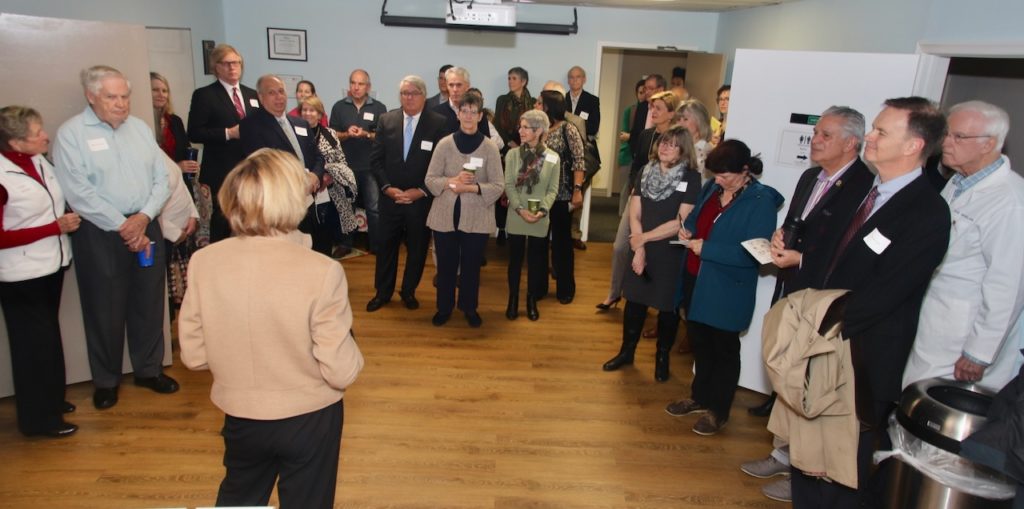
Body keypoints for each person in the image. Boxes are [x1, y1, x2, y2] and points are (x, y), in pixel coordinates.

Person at [785, 97, 950, 506]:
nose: (870, 138)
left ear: (913, 146)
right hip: (823, 338)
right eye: (873, 128)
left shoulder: (928, 211)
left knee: (845, 469)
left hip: (861, 354)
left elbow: (889, 292)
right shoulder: (862, 189)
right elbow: (827, 255)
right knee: (808, 457)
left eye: (881, 132)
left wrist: (824, 327)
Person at [178, 148, 364, 509]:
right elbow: (340, 370)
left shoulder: (204, 262)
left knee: (240, 496)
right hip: (310, 416)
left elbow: (195, 355)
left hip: (240, 412)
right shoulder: (322, 270)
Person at [743, 106, 875, 503]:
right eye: (816, 133)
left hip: (826, 299)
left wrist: (803, 259)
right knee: (788, 373)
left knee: (813, 382)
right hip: (794, 288)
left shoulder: (865, 186)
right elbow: (799, 223)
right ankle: (783, 452)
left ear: (852, 143)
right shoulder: (809, 177)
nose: (815, 140)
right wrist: (781, 239)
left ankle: (806, 470)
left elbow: (849, 250)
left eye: (826, 135)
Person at [53, 65, 176, 410]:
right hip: (101, 232)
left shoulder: (139, 129)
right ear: (91, 96)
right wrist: (124, 226)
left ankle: (149, 370)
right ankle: (106, 380)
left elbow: (161, 180)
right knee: (104, 307)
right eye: (112, 97)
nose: (121, 103)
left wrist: (143, 218)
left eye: (125, 96)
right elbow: (77, 192)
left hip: (145, 223)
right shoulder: (72, 134)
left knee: (149, 301)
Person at [665, 140, 783, 436]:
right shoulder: (712, 188)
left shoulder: (760, 202)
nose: (718, 181)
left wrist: (707, 248)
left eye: (724, 176)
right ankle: (699, 396)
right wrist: (687, 229)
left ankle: (719, 410)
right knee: (700, 342)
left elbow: (755, 253)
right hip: (696, 278)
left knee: (724, 350)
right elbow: (693, 218)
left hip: (728, 287)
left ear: (745, 171)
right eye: (715, 175)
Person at [904, 100, 1024, 391]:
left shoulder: (1010, 201)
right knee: (913, 406)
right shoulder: (957, 182)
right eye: (947, 134)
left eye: (958, 136)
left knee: (938, 418)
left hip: (962, 336)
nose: (945, 142)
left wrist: (979, 353)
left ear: (989, 144)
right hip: (935, 321)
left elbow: (1009, 285)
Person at [0, 106, 80, 438]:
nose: (45, 135)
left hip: (49, 266)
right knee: (32, 347)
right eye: (37, 133)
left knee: (47, 340)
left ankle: (51, 400)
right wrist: (54, 227)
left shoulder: (38, 161)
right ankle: (38, 421)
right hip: (19, 275)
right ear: (16, 143)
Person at [602, 126, 702, 381]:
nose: (665, 147)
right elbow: (635, 212)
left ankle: (662, 358)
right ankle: (626, 352)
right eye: (663, 142)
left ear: (684, 150)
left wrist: (643, 240)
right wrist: (639, 247)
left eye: (673, 144)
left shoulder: (691, 177)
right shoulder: (646, 171)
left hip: (669, 250)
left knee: (667, 308)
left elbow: (681, 221)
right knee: (634, 300)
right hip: (642, 246)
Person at [367, 75, 447, 312]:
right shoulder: (386, 119)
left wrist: (421, 191)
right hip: (390, 199)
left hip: (419, 201)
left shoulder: (438, 123)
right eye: (404, 93)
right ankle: (382, 293)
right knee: (385, 248)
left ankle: (408, 291)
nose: (408, 98)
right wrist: (387, 188)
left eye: (413, 93)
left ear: (423, 95)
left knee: (417, 249)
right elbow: (376, 160)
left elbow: (440, 165)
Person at [424, 93, 504, 328]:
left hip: (477, 217)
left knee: (470, 267)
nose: (468, 116)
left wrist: (473, 188)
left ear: (481, 116)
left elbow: (498, 186)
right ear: (458, 114)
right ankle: (444, 308)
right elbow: (430, 180)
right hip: (444, 216)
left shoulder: (489, 147)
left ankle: (469, 308)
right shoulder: (444, 144)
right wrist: (453, 181)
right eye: (464, 111)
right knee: (446, 266)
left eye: (473, 112)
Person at [598, 91, 680, 311]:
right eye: (652, 107)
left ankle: (647, 299)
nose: (653, 111)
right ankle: (614, 294)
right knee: (620, 247)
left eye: (659, 108)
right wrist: (636, 186)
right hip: (638, 198)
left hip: (662, 206)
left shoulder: (678, 141)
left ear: (671, 113)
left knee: (652, 251)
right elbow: (636, 167)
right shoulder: (646, 135)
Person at [240, 75, 324, 249]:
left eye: (281, 92)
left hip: (307, 200)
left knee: (309, 249)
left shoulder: (300, 123)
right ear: (261, 97)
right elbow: (261, 164)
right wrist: (298, 181)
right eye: (272, 93)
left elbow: (318, 155)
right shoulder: (251, 125)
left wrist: (315, 175)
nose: (279, 97)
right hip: (279, 203)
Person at [187, 44, 259, 242]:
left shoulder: (252, 95)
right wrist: (228, 133)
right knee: (223, 219)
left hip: (250, 169)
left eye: (236, 63)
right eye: (227, 64)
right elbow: (194, 132)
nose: (233, 68)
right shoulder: (205, 95)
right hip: (222, 169)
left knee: (250, 218)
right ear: (216, 67)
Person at [503, 110, 560, 321]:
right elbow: (509, 185)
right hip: (516, 214)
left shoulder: (553, 158)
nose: (520, 130)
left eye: (525, 127)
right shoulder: (512, 155)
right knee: (515, 261)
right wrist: (520, 209)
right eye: (521, 126)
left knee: (537, 263)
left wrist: (542, 210)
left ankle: (531, 300)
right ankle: (513, 299)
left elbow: (552, 190)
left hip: (540, 217)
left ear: (539, 131)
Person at [151, 72, 200, 312]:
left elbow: (182, 153)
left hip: (181, 196)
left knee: (180, 271)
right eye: (155, 90)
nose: (161, 95)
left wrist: (192, 212)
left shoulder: (175, 122)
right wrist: (177, 167)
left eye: (164, 90)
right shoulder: (143, 128)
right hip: (161, 211)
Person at [329, 69, 388, 253]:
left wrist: (366, 134)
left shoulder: (379, 108)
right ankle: (345, 244)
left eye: (361, 83)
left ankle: (376, 245)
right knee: (346, 207)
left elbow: (383, 136)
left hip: (370, 167)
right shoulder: (339, 107)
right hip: (346, 167)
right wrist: (347, 134)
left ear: (368, 87)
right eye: (353, 83)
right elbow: (331, 136)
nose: (356, 87)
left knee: (374, 208)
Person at [536, 90, 585, 304]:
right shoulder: (538, 129)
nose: (536, 105)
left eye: (540, 102)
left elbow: (578, 161)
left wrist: (577, 189)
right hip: (537, 195)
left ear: (549, 106)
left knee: (562, 244)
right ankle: (538, 288)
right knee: (538, 242)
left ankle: (566, 288)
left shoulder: (568, 128)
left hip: (561, 195)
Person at [300, 95, 358, 257]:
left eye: (312, 110)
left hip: (330, 190)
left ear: (319, 115)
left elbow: (342, 161)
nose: (307, 113)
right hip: (303, 190)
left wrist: (330, 176)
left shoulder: (330, 134)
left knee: (325, 231)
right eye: (304, 110)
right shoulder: (294, 133)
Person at [616, 79, 647, 214]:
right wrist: (631, 137)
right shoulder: (631, 110)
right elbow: (624, 135)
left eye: (646, 92)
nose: (644, 95)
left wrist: (631, 136)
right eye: (640, 92)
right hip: (629, 154)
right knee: (626, 188)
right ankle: (623, 216)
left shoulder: (650, 111)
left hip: (642, 155)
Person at [565, 66, 601, 141]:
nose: (575, 80)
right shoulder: (561, 100)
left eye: (578, 77)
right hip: (565, 145)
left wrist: (572, 127)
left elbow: (594, 128)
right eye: (571, 77)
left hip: (585, 145)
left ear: (584, 80)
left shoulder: (592, 101)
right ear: (568, 81)